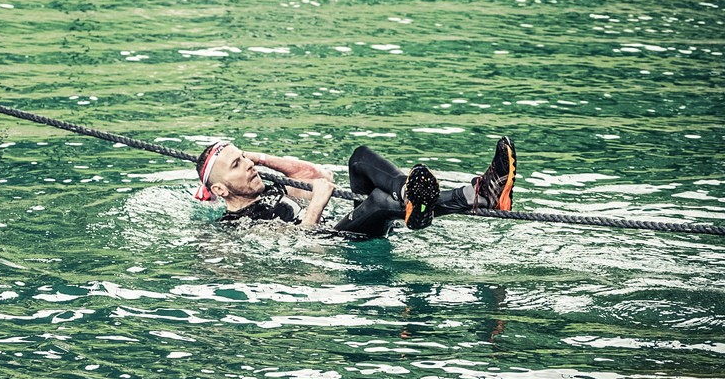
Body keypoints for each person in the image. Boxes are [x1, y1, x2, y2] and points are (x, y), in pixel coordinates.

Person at [193, 137, 516, 239]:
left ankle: (412, 197)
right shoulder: (238, 224)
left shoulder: (271, 187)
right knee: (379, 201)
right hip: (339, 244)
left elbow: (314, 174)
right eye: (237, 165)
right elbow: (301, 248)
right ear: (220, 190)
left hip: (342, 223)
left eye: (244, 158)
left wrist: (259, 158)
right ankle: (474, 195)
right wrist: (317, 204)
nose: (248, 166)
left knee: (360, 157)